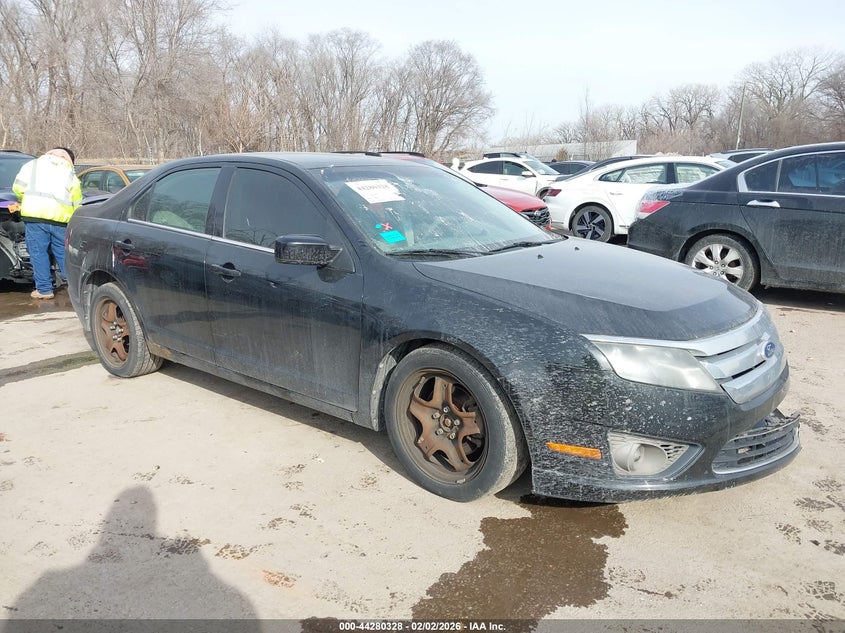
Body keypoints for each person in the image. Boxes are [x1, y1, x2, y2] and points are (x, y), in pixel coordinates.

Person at [12, 147, 82, 299]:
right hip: (62, 219)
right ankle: (75, 288)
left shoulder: (31, 166)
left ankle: (44, 290)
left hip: (35, 216)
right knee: (63, 254)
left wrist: (26, 199)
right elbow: (76, 198)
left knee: (38, 253)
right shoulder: (68, 171)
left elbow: (18, 188)